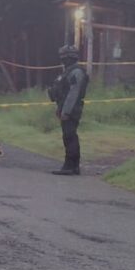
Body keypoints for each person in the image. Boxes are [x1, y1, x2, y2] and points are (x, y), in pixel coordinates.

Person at [47, 44, 89, 175]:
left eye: (64, 57)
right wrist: (60, 108)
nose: (62, 59)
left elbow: (73, 93)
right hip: (66, 108)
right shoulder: (69, 71)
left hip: (72, 109)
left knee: (70, 137)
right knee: (68, 136)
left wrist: (66, 111)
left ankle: (71, 166)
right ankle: (71, 166)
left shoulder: (76, 72)